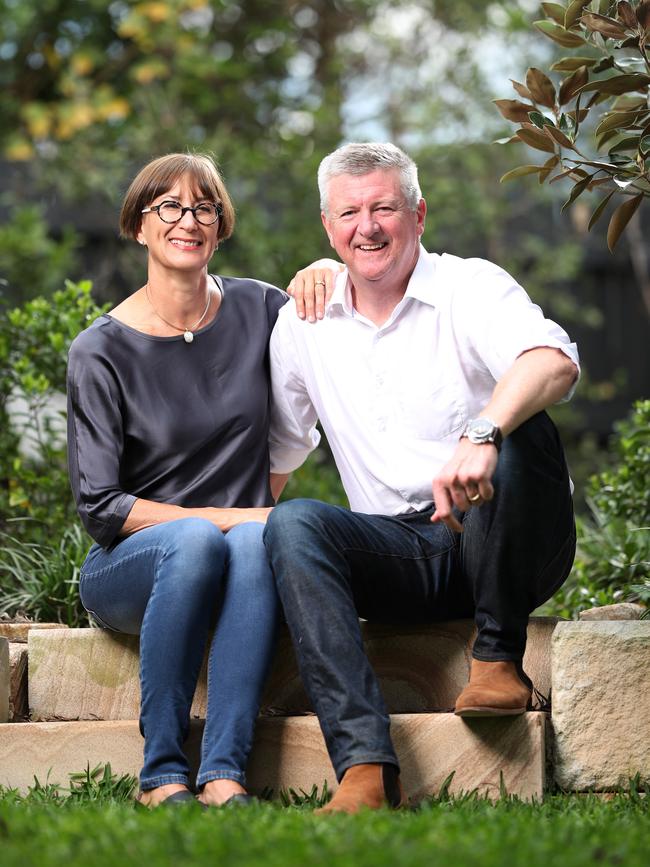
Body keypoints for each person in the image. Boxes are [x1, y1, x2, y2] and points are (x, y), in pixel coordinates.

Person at [264, 142, 579, 814]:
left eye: (384, 207)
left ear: (419, 213)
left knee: (523, 424)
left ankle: (496, 658)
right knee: (293, 523)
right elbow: (278, 462)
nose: (367, 226)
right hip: (399, 553)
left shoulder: (470, 287)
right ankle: (366, 770)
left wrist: (482, 431)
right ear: (328, 227)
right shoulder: (302, 323)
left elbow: (554, 361)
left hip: (501, 535)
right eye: (349, 213)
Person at [67, 152, 308, 808]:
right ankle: (161, 770)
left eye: (205, 207)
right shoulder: (100, 350)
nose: (188, 219)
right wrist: (235, 517)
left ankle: (225, 772)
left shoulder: (263, 310)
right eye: (168, 206)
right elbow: (100, 507)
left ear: (221, 225)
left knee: (253, 544)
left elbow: (320, 396)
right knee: (205, 539)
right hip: (129, 564)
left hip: (241, 556)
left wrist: (324, 274)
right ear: (139, 226)